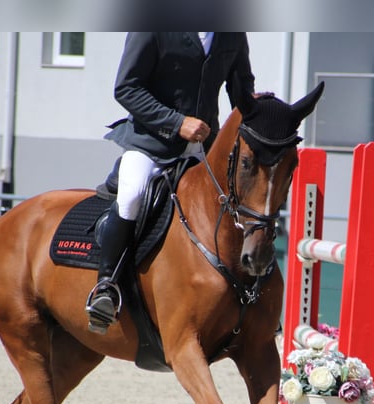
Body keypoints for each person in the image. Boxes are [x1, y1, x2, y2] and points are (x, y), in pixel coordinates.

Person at [86, 32, 255, 334]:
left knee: (240, 203)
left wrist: (261, 111)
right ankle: (106, 287)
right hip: (151, 143)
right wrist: (177, 123)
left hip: (205, 148)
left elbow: (241, 88)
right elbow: (127, 88)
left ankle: (248, 298)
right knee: (133, 195)